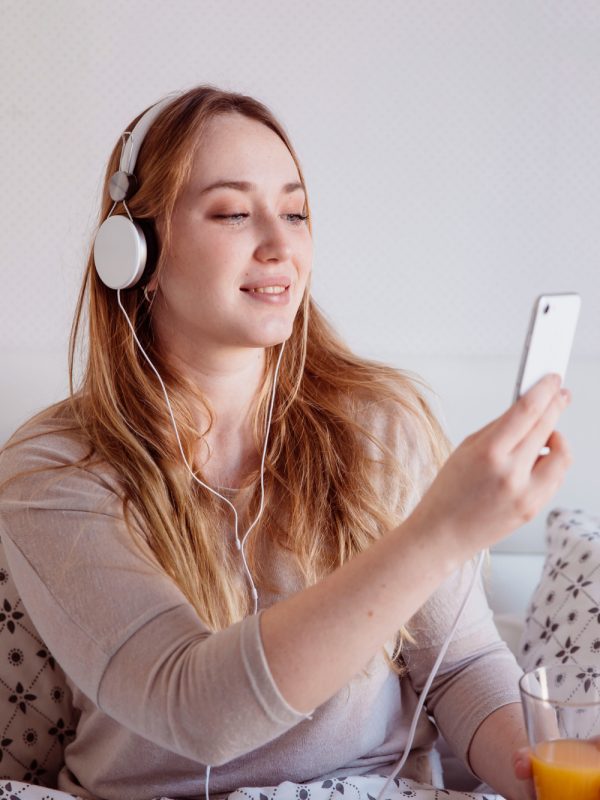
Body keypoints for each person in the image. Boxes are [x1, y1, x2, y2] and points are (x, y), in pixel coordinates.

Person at [0, 85, 572, 800]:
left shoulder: (380, 425)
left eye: (295, 212)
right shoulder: (54, 468)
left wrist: (543, 774)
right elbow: (193, 708)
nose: (280, 244)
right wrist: (439, 535)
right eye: (235, 212)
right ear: (134, 250)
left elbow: (456, 670)